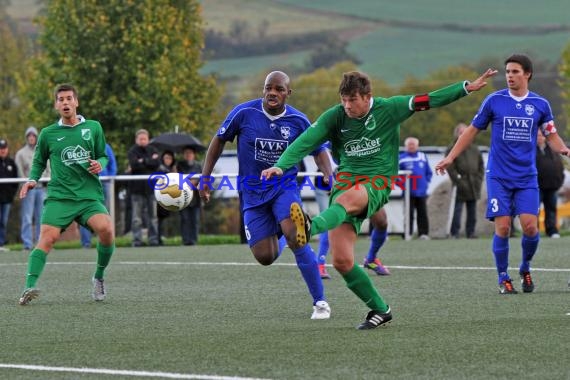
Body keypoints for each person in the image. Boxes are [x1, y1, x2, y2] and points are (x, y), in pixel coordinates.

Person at [261, 68, 494, 329]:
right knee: (341, 260)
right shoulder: (335, 116)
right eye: (344, 100)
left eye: (353, 100)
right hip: (346, 181)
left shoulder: (389, 108)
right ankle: (380, 309)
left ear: (367, 96)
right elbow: (305, 141)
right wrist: (281, 165)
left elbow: (427, 99)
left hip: (377, 181)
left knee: (345, 201)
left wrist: (464, 87)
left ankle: (310, 226)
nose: (347, 106)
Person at [199, 71, 333, 319]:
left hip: (284, 186)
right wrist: (205, 177)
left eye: (279, 89)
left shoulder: (298, 121)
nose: (272, 92)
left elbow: (320, 149)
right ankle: (284, 233)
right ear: (263, 90)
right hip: (251, 192)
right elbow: (218, 141)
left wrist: (327, 173)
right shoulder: (243, 113)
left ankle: (320, 302)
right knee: (265, 256)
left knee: (298, 238)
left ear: (287, 93)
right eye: (268, 88)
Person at [435, 54, 570, 294]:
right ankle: (503, 277)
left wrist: (564, 150)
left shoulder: (540, 104)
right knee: (504, 227)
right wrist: (450, 157)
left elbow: (551, 136)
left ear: (527, 74)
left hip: (527, 176)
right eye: (507, 71)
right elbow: (470, 132)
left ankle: (525, 268)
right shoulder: (493, 101)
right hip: (498, 175)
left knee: (530, 228)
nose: (509, 76)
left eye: (515, 71)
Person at [18, 83, 115, 305]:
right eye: (61, 99)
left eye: (69, 98)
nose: (65, 102)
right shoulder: (48, 134)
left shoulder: (93, 127)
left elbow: (103, 155)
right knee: (47, 239)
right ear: (56, 105)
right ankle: (28, 288)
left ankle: (99, 277)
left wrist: (99, 164)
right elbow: (39, 162)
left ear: (76, 102)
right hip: (60, 198)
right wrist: (32, 179)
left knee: (107, 230)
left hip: (89, 197)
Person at [445, 123, 484, 239]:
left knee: (472, 210)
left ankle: (471, 232)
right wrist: (458, 181)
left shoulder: (475, 148)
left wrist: (479, 179)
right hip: (460, 183)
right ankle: (454, 233)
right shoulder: (452, 148)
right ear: (457, 134)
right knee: (457, 210)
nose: (464, 134)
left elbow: (481, 165)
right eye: (461, 132)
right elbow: (450, 168)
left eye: (466, 132)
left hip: (474, 183)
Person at [15, 126, 49, 251]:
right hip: (29, 190)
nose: (31, 138)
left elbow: (48, 169)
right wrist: (27, 184)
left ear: (36, 137)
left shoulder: (43, 151)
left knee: (42, 217)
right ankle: (27, 244)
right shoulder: (20, 154)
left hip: (42, 189)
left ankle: (41, 243)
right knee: (27, 218)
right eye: (29, 136)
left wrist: (47, 180)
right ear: (26, 138)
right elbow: (20, 172)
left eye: (33, 136)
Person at [127, 129, 161, 247]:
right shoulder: (132, 151)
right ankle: (137, 240)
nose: (142, 141)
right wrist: (149, 160)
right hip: (136, 189)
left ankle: (153, 240)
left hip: (151, 189)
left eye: (144, 139)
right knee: (136, 218)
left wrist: (143, 161)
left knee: (153, 217)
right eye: (140, 139)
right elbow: (134, 165)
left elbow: (156, 164)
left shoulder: (154, 150)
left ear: (148, 139)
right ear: (136, 140)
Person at [80, 142, 117, 248]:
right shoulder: (82, 145)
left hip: (104, 184)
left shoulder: (106, 146)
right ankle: (86, 243)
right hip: (87, 184)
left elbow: (112, 164)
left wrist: (110, 178)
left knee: (105, 213)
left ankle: (106, 242)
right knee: (85, 213)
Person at [399, 137, 432, 240]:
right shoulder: (401, 158)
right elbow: (396, 175)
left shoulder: (422, 156)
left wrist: (426, 183)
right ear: (406, 146)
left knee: (422, 213)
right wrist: (403, 186)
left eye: (413, 144)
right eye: (409, 144)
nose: (411, 146)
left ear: (417, 146)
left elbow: (429, 172)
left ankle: (423, 234)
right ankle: (407, 234)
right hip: (408, 192)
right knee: (408, 214)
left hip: (421, 192)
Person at [536, 129, 564, 238]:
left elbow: (560, 166)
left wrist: (559, 180)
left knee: (551, 210)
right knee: (534, 211)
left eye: (541, 135)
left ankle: (552, 231)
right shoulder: (530, 150)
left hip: (552, 186)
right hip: (536, 187)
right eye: (537, 135)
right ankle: (534, 232)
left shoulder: (552, 149)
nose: (540, 137)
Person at [176, 146, 202, 246]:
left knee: (195, 220)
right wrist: (188, 183)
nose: (188, 155)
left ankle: (193, 240)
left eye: (190, 153)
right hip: (183, 197)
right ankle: (185, 240)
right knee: (184, 219)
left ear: (194, 154)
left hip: (195, 197)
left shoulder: (199, 165)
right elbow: (177, 179)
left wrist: (195, 183)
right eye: (186, 153)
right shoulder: (179, 165)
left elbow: (202, 178)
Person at [0, 139, 19, 251]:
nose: (2, 150)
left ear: (7, 149)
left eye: (4, 148)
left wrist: (11, 195)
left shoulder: (11, 163)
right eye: (1, 148)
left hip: (7, 199)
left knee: (3, 222)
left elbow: (16, 181)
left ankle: (1, 243)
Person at [157, 150, 176, 245]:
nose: (168, 160)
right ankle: (157, 238)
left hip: (168, 197)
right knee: (157, 219)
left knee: (162, 219)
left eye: (170, 158)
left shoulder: (172, 169)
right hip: (159, 197)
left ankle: (160, 237)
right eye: (166, 158)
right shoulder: (160, 168)